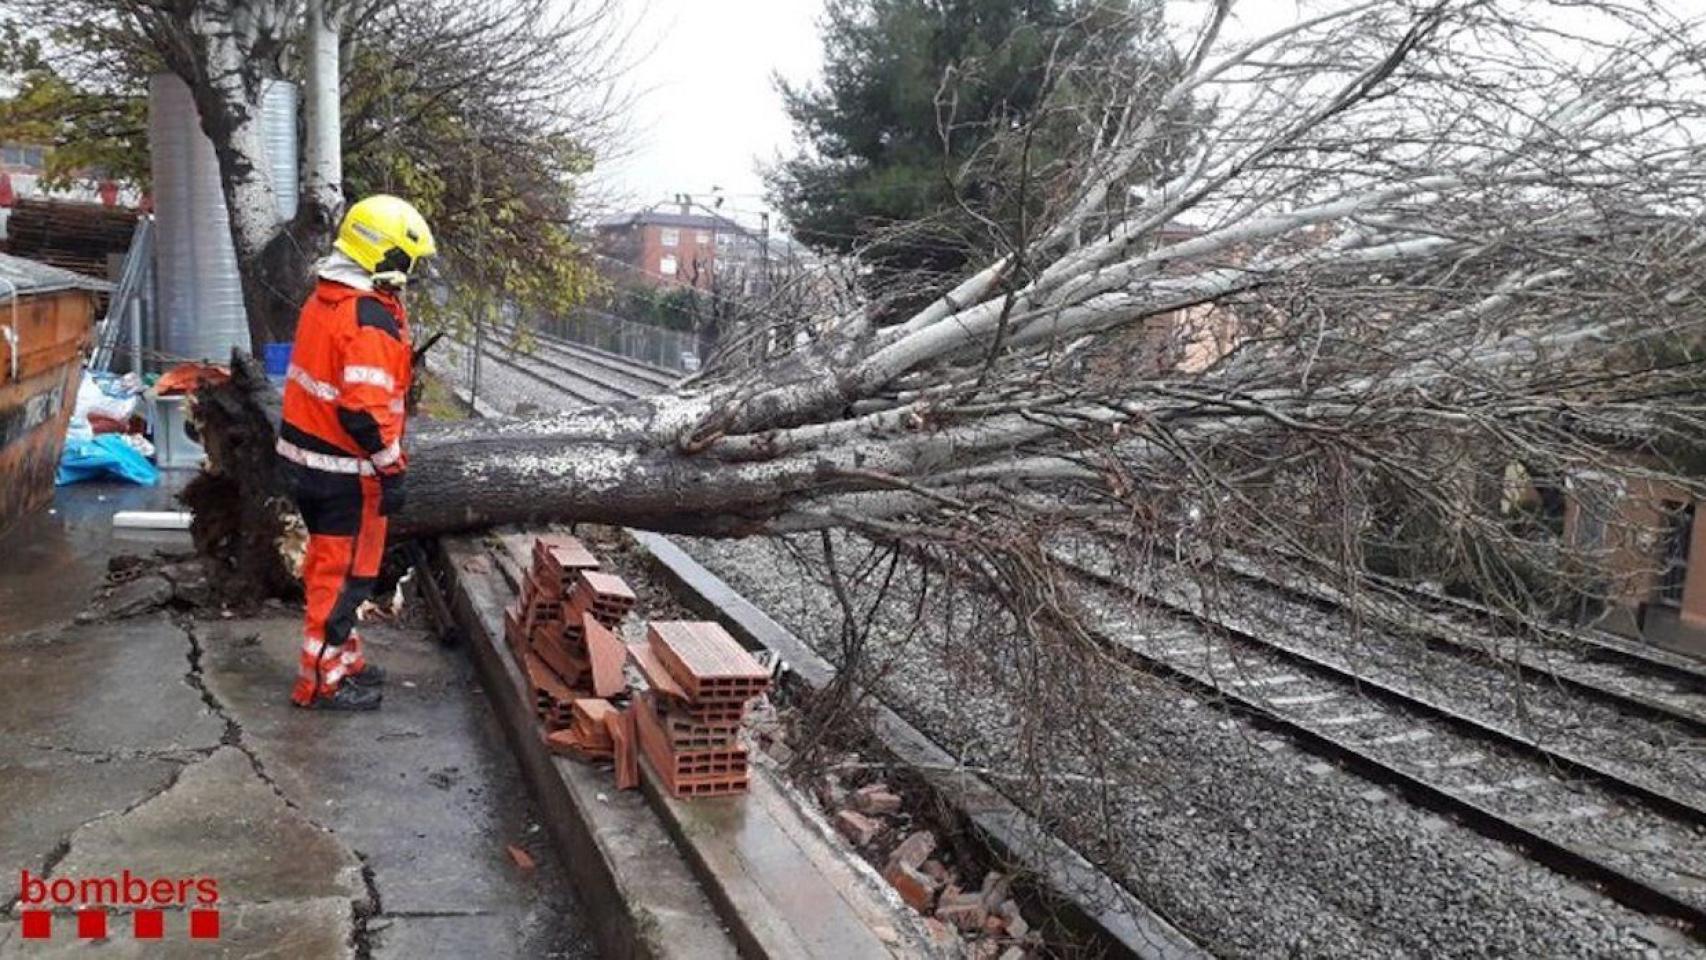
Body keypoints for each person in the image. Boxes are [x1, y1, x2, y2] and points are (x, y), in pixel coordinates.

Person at [275, 195, 436, 710]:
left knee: (340, 575)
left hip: (311, 462)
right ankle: (322, 683)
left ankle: (345, 663)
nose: (411, 272)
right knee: (340, 580)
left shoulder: (329, 298)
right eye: (408, 260)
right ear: (386, 255)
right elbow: (363, 412)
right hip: (342, 471)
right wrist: (393, 472)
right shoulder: (367, 318)